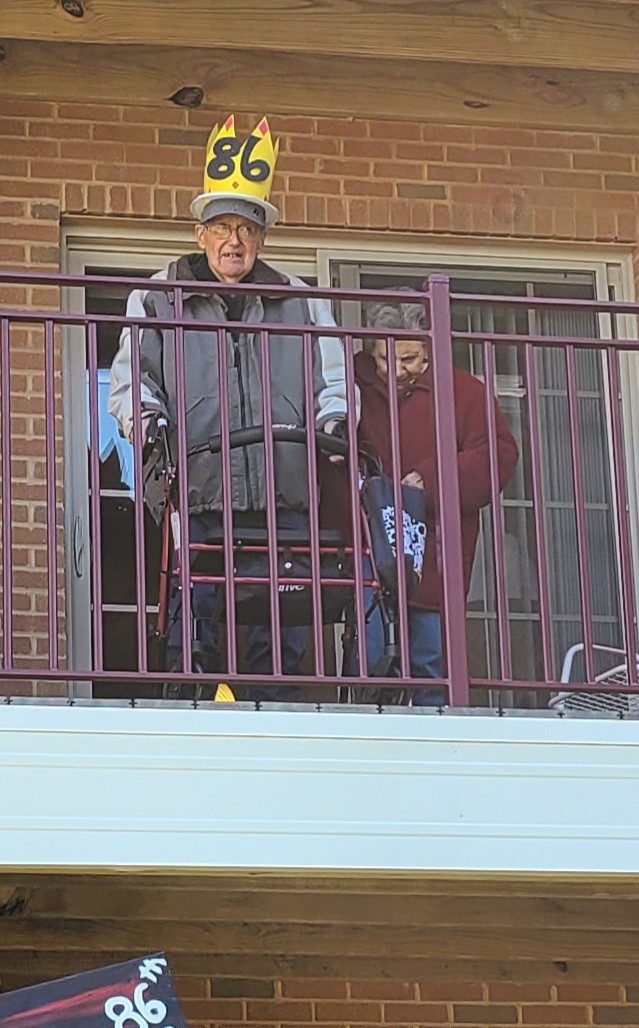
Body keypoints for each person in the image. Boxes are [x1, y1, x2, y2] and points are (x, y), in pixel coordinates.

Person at [109, 115, 347, 693]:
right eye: (221, 227)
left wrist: (336, 422)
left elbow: (335, 381)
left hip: (284, 496)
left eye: (246, 228)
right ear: (200, 235)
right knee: (196, 630)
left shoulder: (300, 301)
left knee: (284, 638)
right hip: (200, 492)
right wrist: (148, 423)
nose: (233, 240)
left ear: (261, 239)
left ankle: (278, 726)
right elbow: (131, 382)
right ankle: (194, 722)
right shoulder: (157, 297)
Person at [351, 297, 519, 706]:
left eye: (409, 359)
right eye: (385, 358)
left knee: (432, 663)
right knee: (370, 661)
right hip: (367, 546)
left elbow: (497, 456)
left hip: (434, 551)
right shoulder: (352, 384)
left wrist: (428, 480)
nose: (396, 370)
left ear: (429, 351)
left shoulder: (463, 391)